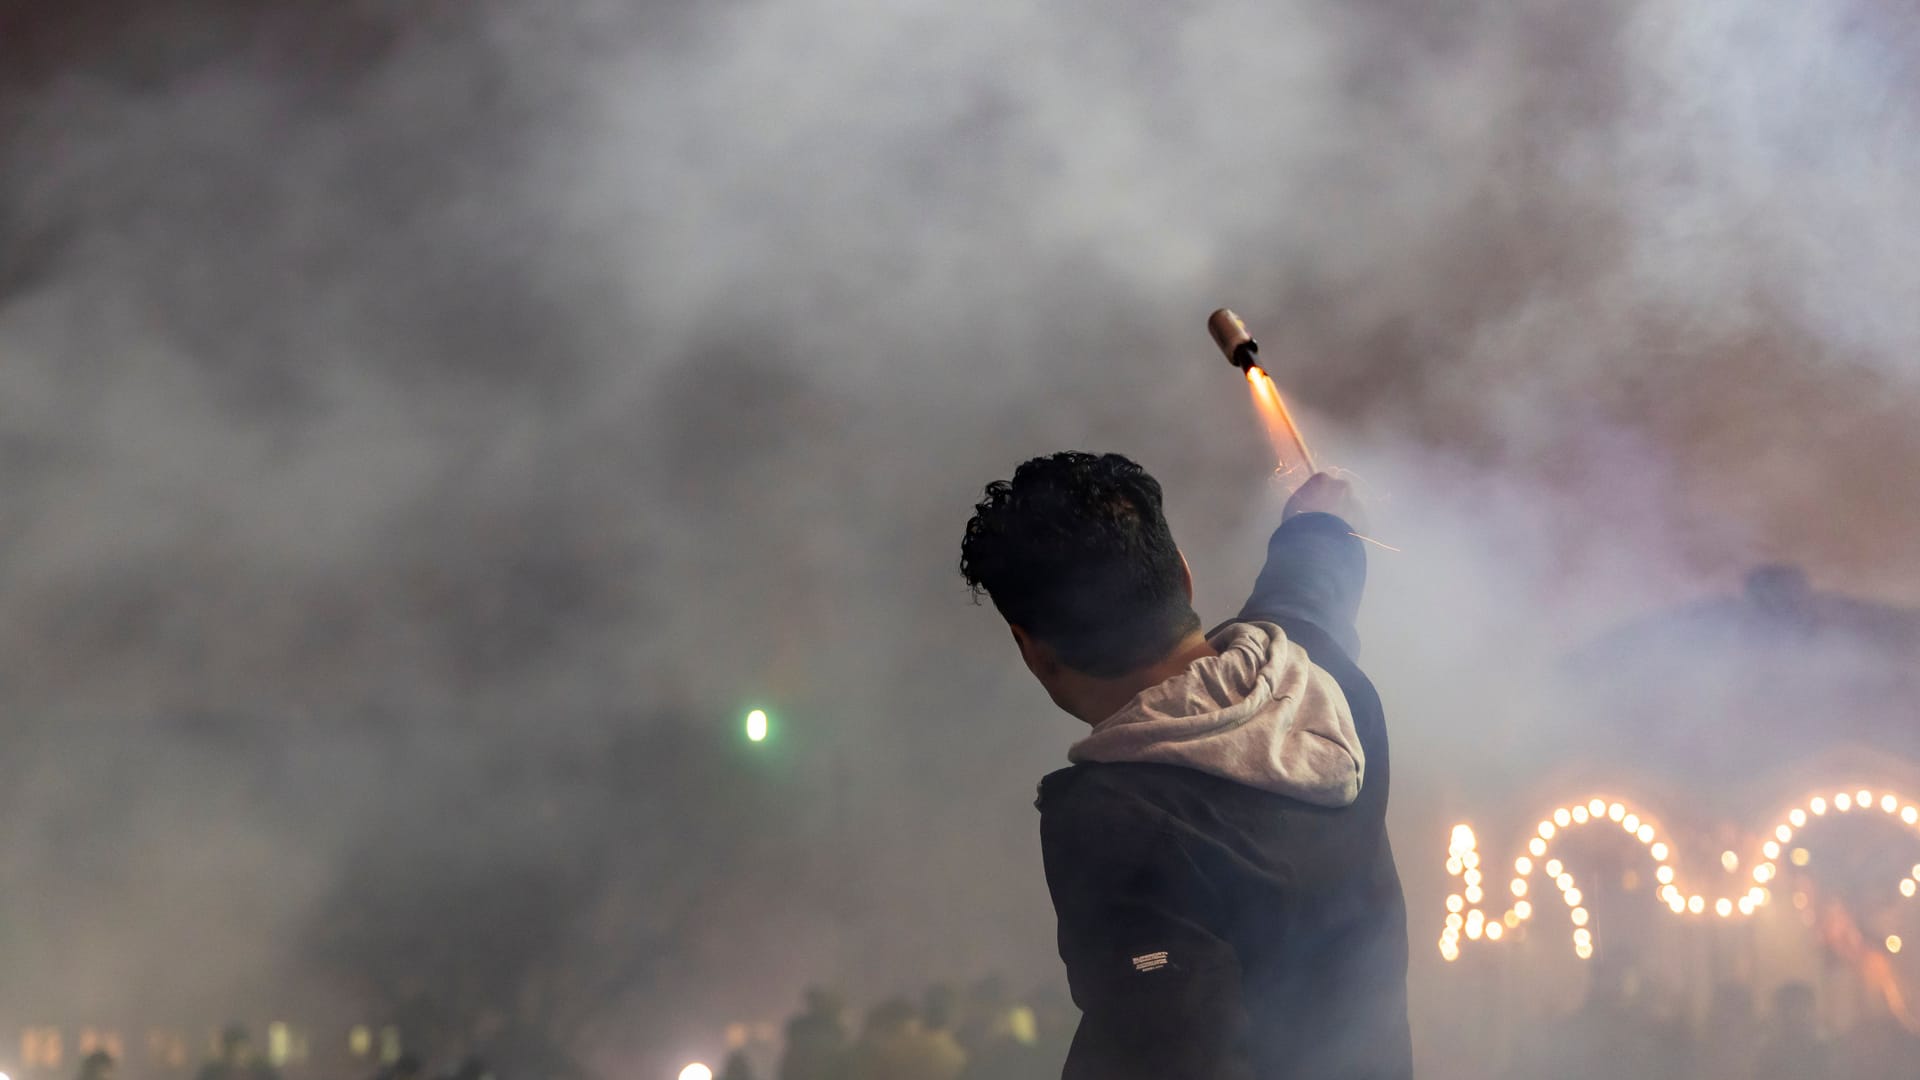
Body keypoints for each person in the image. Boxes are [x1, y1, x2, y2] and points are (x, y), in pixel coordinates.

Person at [959, 453, 1410, 1079]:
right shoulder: (1320, 681)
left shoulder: (1116, 820)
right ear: (1182, 574)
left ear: (1029, 647)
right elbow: (1306, 592)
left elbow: (1171, 1050)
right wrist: (1317, 525)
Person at [196, 1027, 279, 1080]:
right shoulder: (212, 1071)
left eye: (240, 1047)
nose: (236, 1054)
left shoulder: (261, 1070)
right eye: (231, 1049)